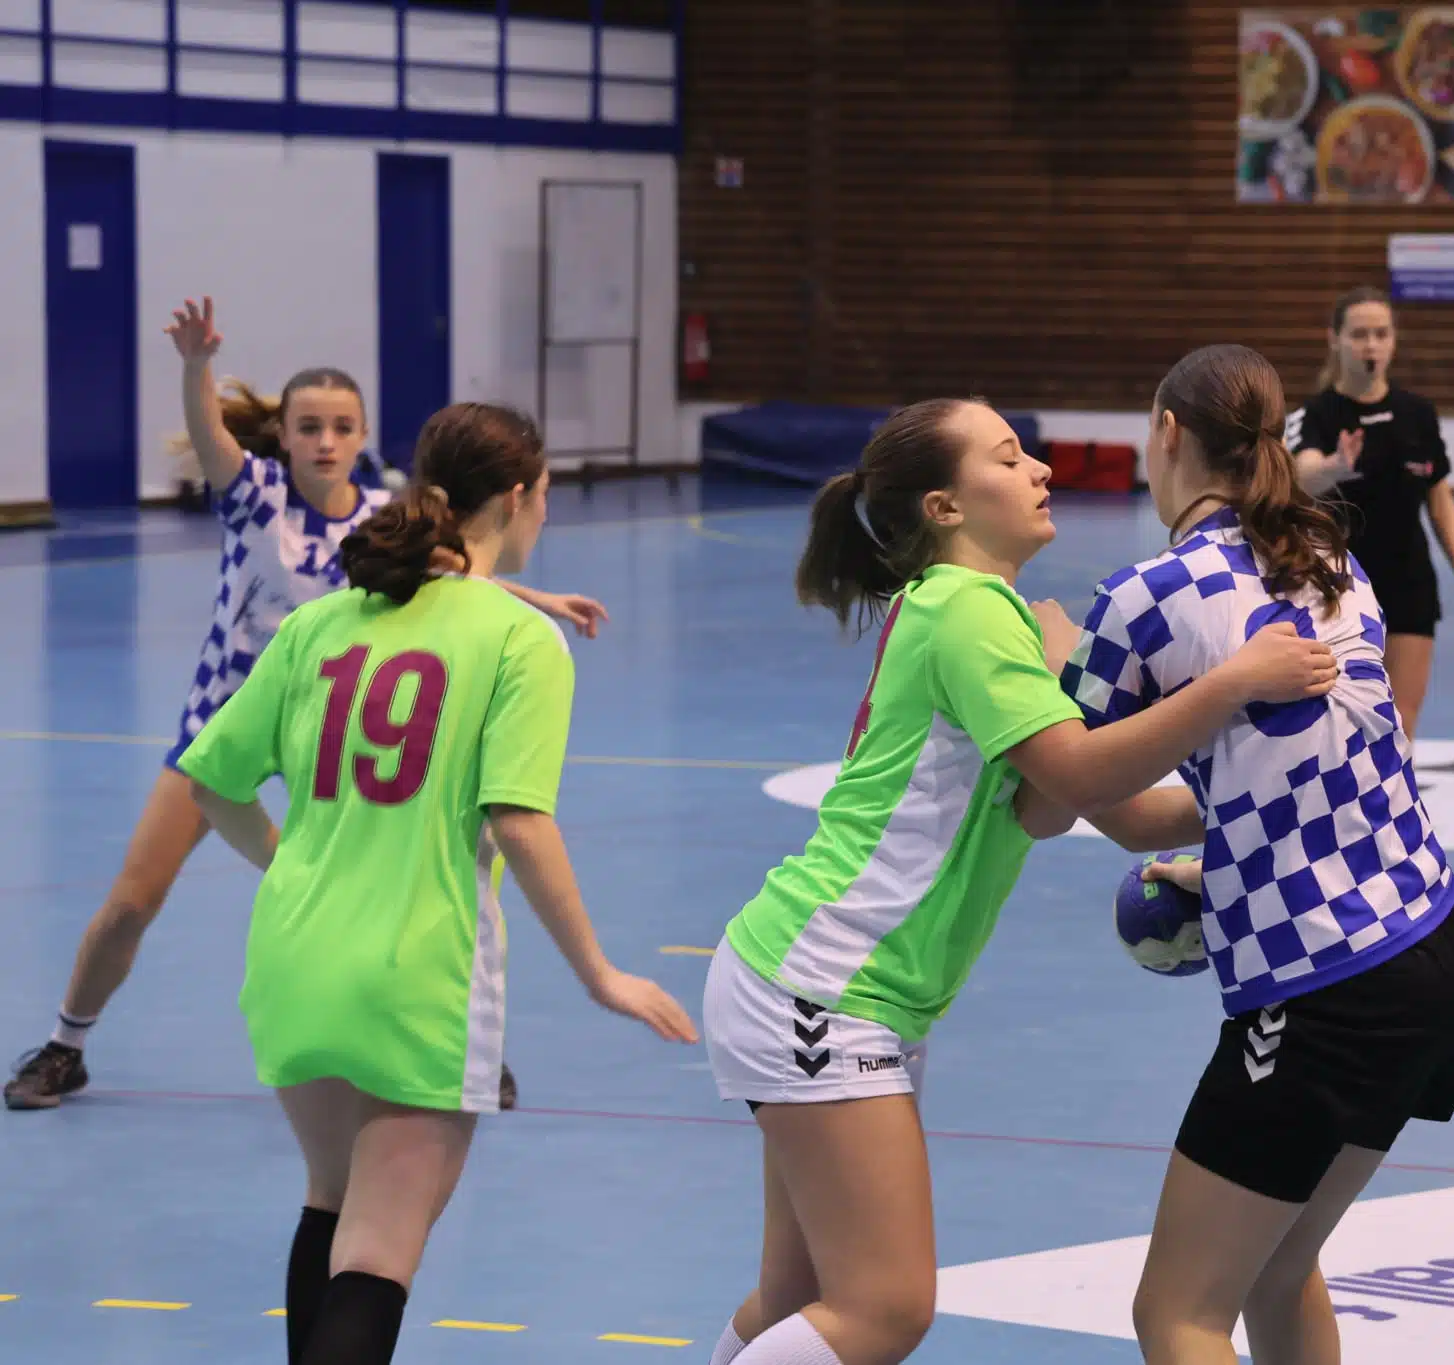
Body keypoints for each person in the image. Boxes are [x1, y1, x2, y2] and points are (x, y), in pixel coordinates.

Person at [695, 397, 1339, 1365]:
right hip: (825, 989)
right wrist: (1234, 680)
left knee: (802, 1297)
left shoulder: (966, 612)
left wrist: (1269, 796)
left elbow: (1090, 810)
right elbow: (1081, 775)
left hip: (828, 986)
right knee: (885, 1308)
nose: (1038, 469)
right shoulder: (969, 611)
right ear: (945, 508)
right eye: (1006, 457)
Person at [176, 400, 695, 1365]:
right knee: (377, 1254)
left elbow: (210, 782)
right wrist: (600, 973)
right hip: (419, 970)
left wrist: (293, 862)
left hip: (294, 953)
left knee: (331, 1204)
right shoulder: (519, 637)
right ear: (518, 497)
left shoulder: (322, 621)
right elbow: (519, 819)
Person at [6, 297, 606, 1113]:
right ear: (282, 436)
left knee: (446, 877)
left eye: (342, 427)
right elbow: (211, 438)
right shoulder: (256, 495)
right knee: (133, 899)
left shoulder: (383, 519)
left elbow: (460, 575)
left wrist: (539, 598)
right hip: (230, 725)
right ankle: (66, 1043)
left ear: (363, 438)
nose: (326, 441)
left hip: (333, 727)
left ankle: (466, 1042)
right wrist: (197, 368)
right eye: (309, 426)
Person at [1040, 343, 1454, 1365]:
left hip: (1330, 986)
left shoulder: (1140, 599)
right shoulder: (1329, 562)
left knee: (1178, 1313)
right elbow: (1311, 776)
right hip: (1439, 949)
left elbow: (1050, 798)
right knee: (1278, 1271)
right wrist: (1225, 861)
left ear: (1167, 433)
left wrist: (1049, 666)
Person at [1283, 286, 1454, 735]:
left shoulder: (1417, 414)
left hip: (1409, 585)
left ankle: (1394, 785)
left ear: (1394, 340)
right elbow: (1301, 474)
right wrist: (1336, 467)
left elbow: (1439, 499)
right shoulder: (1317, 415)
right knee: (1336, 720)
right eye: (1359, 335)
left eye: (1381, 334)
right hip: (1337, 585)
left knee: (1399, 722)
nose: (1371, 345)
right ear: (1335, 340)